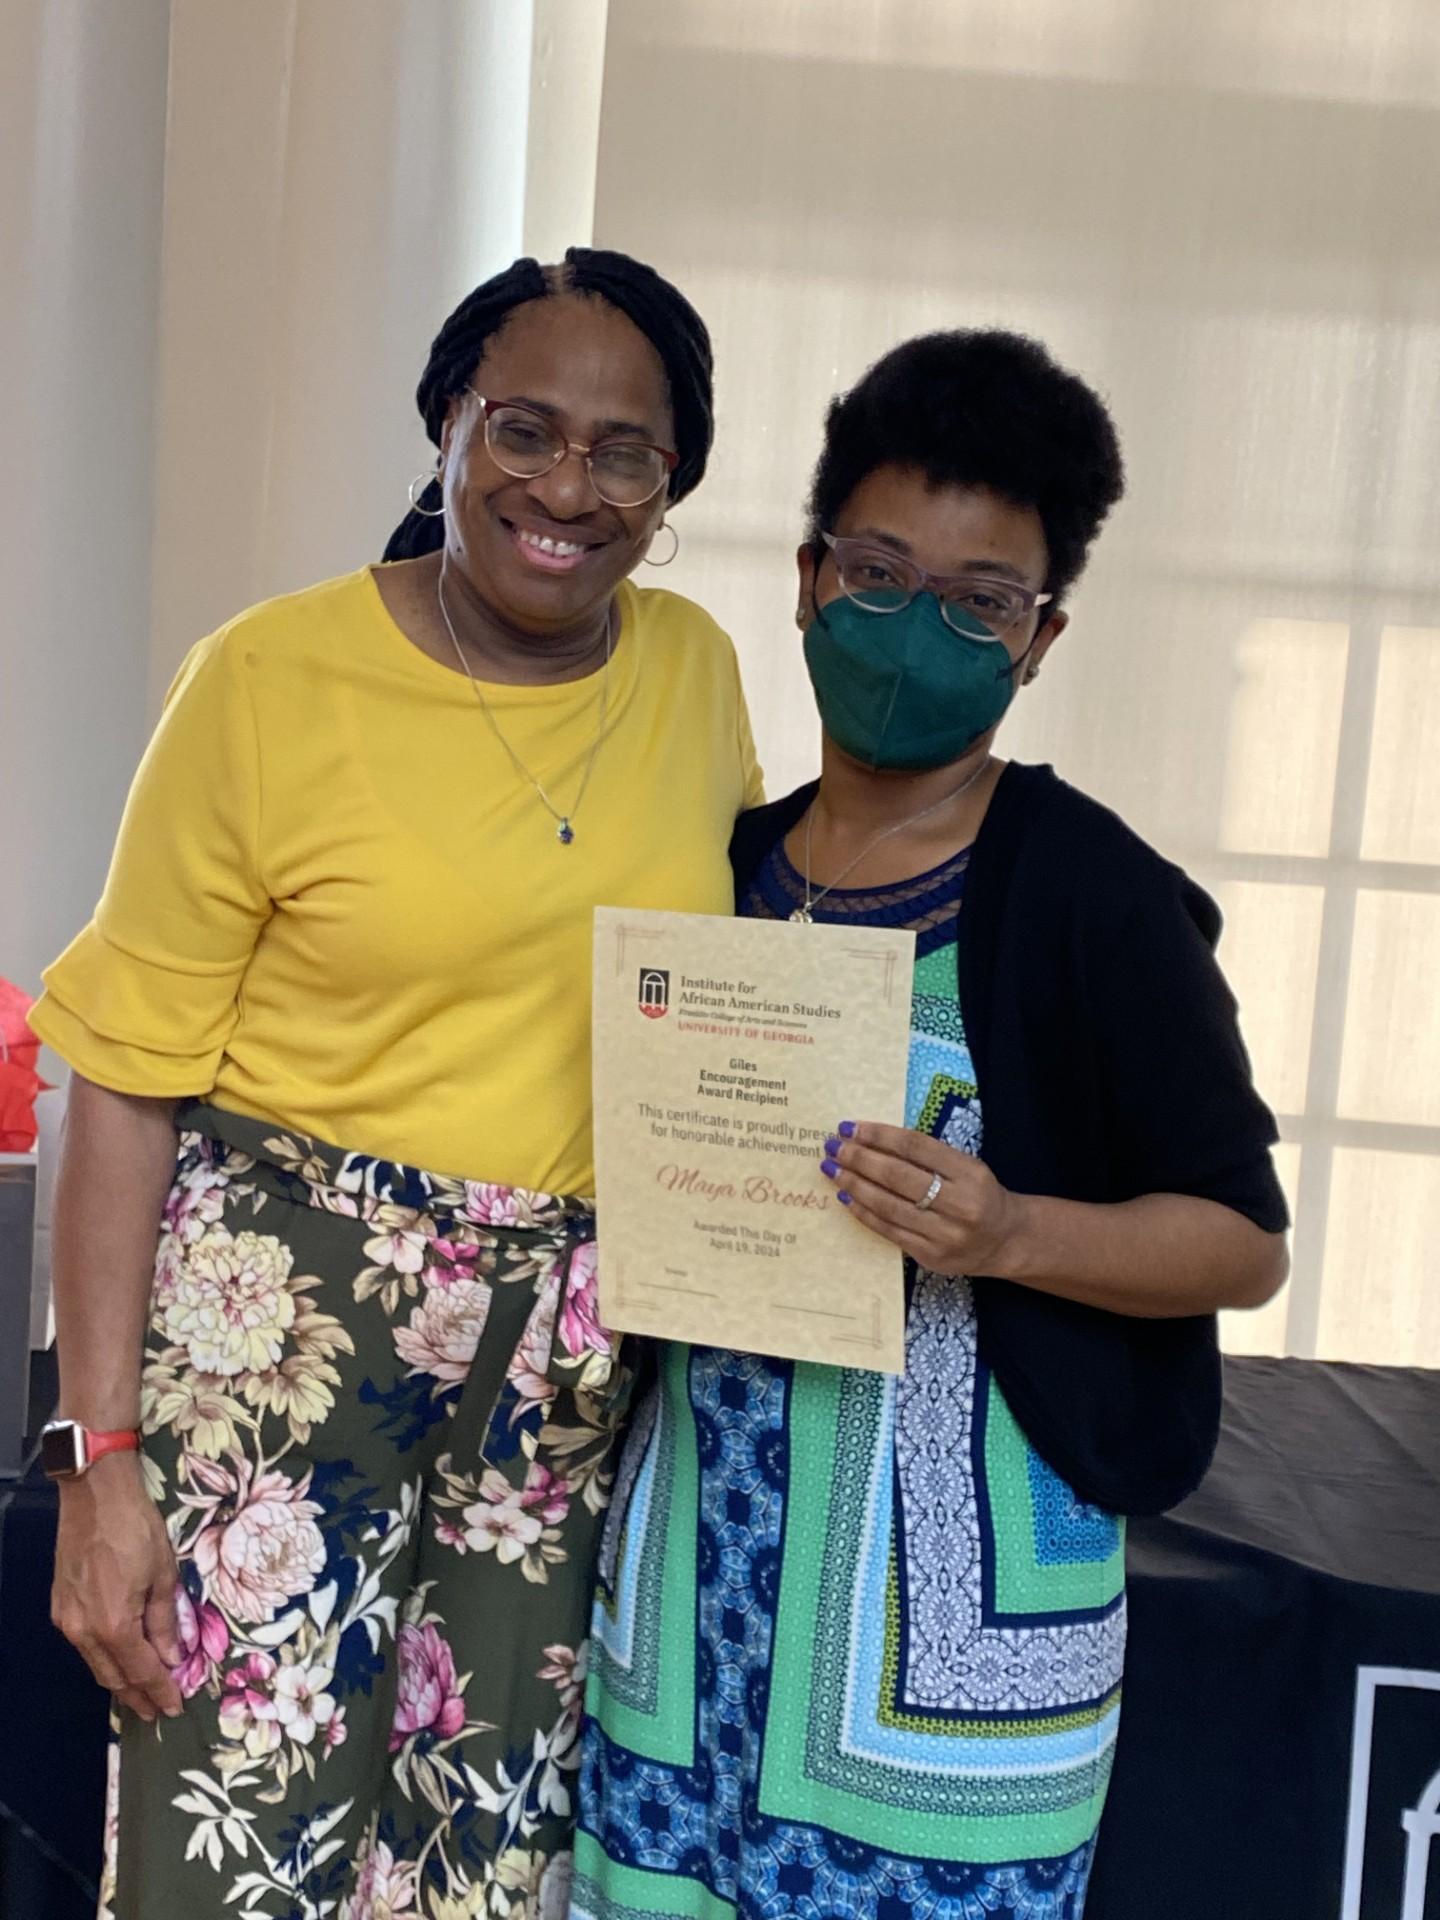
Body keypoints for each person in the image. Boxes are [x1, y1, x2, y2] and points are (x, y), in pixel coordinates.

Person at [31, 246, 763, 1920]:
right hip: (285, 1345)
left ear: (673, 486)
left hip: (560, 1396)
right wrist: (101, 1463)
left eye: (623, 451)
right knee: (234, 1868)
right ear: (447, 425)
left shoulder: (697, 674)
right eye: (522, 428)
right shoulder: (269, 681)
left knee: (481, 1877)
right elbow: (121, 1086)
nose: (565, 486)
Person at [573, 330, 1289, 1920]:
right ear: (812, 573)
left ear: (1038, 641)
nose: (922, 627)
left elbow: (1242, 1244)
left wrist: (1014, 1231)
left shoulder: (1091, 897)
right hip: (684, 1626)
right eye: (884, 571)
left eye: (982, 601)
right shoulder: (721, 870)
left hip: (949, 1689)